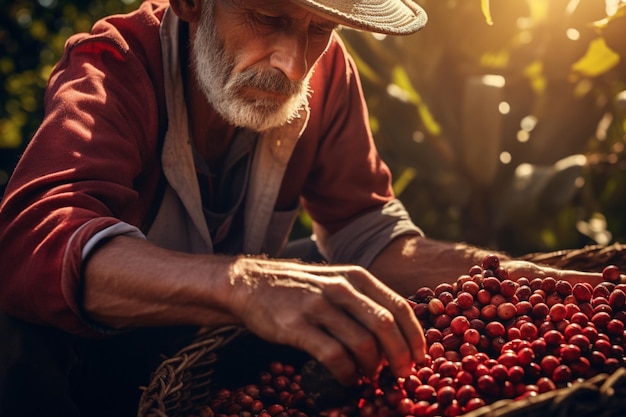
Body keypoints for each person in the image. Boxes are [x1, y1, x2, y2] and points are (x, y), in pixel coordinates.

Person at [0, 0, 605, 416]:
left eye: (318, 29)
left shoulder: (328, 74)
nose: (292, 62)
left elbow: (369, 233)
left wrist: (525, 282)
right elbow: (34, 241)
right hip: (95, 357)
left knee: (330, 277)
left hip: (205, 352)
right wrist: (243, 284)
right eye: (268, 16)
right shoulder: (116, 66)